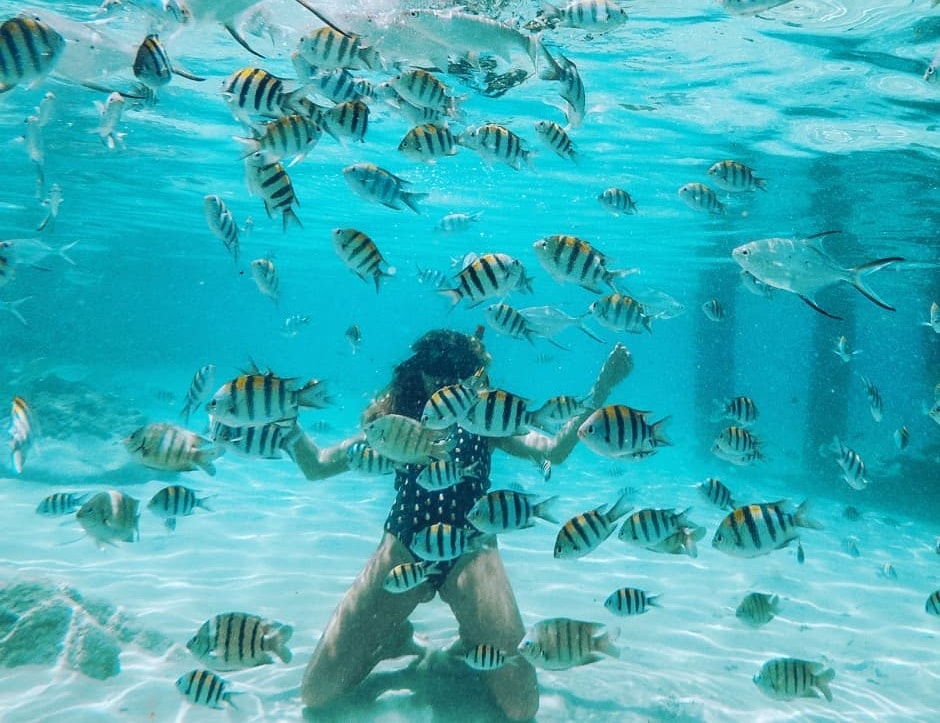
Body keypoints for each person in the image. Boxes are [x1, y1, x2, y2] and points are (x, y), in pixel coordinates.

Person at [289, 328, 633, 720]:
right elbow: (317, 467)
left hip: (472, 549)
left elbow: (553, 449)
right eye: (434, 369)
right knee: (316, 692)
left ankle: (474, 637)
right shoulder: (394, 419)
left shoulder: (485, 415)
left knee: (521, 706)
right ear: (417, 369)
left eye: (456, 373)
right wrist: (286, 423)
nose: (443, 381)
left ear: (472, 374)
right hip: (405, 546)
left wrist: (602, 388)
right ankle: (391, 637)